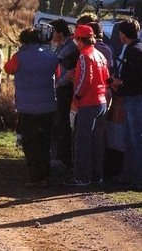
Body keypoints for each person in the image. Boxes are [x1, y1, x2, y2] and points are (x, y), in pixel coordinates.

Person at [4, 27, 58, 187]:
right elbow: (58, 73)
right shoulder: (51, 56)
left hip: (27, 109)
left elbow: (8, 68)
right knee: (45, 142)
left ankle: (36, 177)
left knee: (30, 143)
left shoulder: (19, 57)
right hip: (48, 106)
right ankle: (46, 174)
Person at [64, 25, 109, 186]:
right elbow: (106, 78)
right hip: (101, 102)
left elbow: (85, 81)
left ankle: (82, 177)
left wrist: (76, 98)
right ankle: (97, 176)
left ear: (80, 39)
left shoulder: (84, 56)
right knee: (97, 141)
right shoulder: (100, 55)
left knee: (82, 141)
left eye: (76, 38)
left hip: (88, 103)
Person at [109, 18, 142, 191]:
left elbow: (135, 80)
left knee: (136, 140)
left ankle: (138, 179)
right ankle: (129, 175)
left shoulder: (134, 52)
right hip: (133, 98)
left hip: (136, 99)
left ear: (122, 34)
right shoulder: (136, 49)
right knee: (129, 140)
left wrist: (118, 83)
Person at [48, 18, 78, 172]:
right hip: (59, 89)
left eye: (52, 31)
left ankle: (64, 159)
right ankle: (58, 157)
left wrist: (56, 84)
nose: (51, 35)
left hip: (64, 91)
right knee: (58, 124)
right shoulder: (60, 47)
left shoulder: (70, 47)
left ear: (59, 32)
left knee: (63, 124)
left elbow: (67, 72)